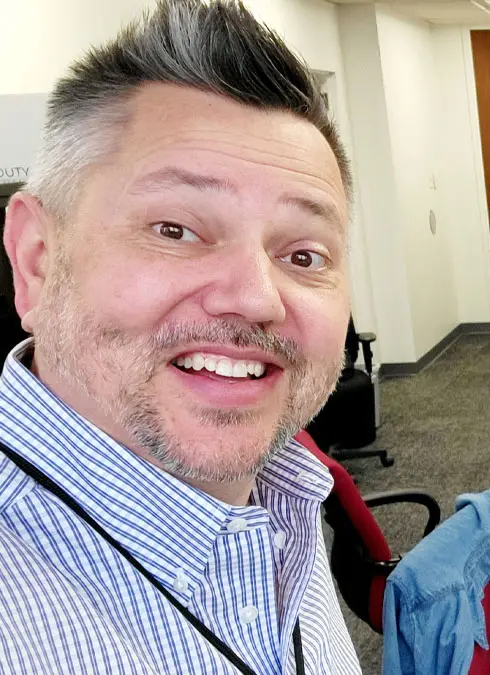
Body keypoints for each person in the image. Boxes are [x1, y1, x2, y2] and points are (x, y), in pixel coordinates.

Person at [0, 1, 361, 672]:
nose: (257, 297)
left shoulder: (287, 501)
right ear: (37, 260)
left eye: (304, 255)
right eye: (175, 229)